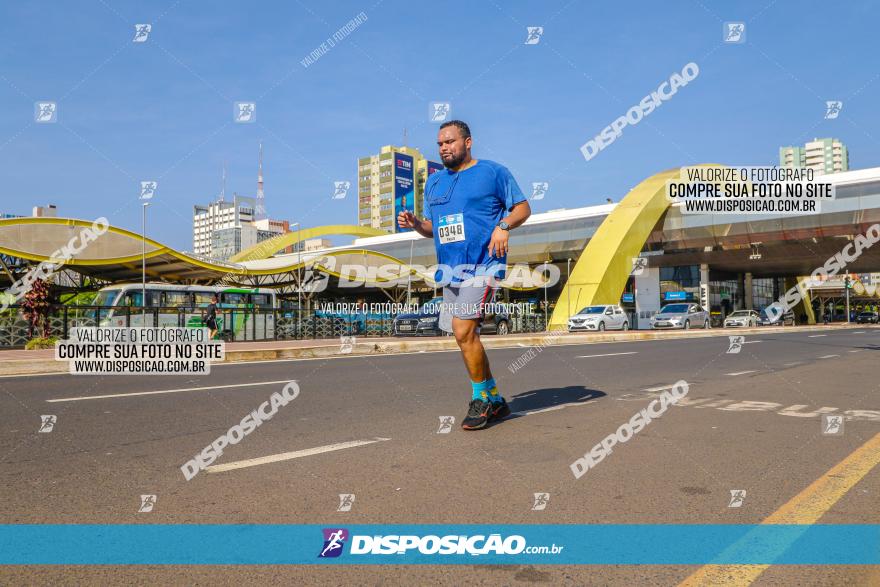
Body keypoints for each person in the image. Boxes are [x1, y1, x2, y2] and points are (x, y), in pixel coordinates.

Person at [397, 120, 531, 430]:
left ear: (468, 142)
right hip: (450, 269)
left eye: (450, 141)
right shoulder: (433, 183)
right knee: (467, 337)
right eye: (440, 143)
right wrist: (417, 223)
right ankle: (495, 399)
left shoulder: (493, 172)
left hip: (484, 264)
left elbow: (522, 208)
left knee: (462, 330)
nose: (444, 147)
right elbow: (435, 228)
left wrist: (503, 226)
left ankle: (480, 399)